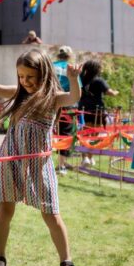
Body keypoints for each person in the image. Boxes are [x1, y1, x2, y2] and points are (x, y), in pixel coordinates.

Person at [0, 47, 81, 266]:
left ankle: (66, 261)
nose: (25, 81)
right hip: (10, 159)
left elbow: (74, 97)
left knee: (51, 213)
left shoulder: (52, 98)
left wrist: (74, 79)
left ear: (43, 73)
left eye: (30, 77)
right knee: (5, 210)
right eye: (21, 76)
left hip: (38, 164)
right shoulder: (18, 93)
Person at [78, 59, 119, 166]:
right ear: (97, 70)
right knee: (94, 135)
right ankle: (90, 157)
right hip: (97, 111)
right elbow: (109, 92)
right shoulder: (99, 81)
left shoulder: (81, 79)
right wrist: (115, 92)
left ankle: (85, 158)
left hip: (84, 109)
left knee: (84, 134)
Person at [53, 46, 77, 174]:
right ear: (69, 56)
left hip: (52, 102)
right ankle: (61, 165)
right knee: (66, 134)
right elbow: (77, 88)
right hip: (67, 103)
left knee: (50, 132)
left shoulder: (50, 65)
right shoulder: (71, 68)